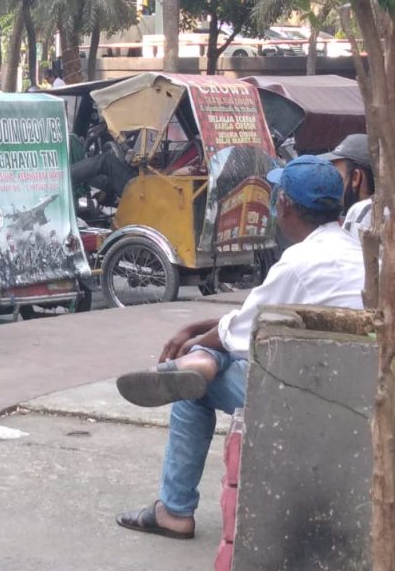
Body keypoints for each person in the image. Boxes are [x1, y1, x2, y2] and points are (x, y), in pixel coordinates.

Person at [114, 155, 365, 540]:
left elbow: (242, 333)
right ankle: (203, 362)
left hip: (309, 394)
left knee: (190, 392)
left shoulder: (298, 261)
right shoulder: (360, 252)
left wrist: (198, 339)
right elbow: (254, 319)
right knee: (216, 352)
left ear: (283, 204)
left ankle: (175, 511)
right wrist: (205, 329)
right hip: (359, 388)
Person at [320, 133, 375, 239]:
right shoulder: (386, 210)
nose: (332, 183)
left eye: (336, 176)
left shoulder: (363, 211)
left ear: (355, 177)